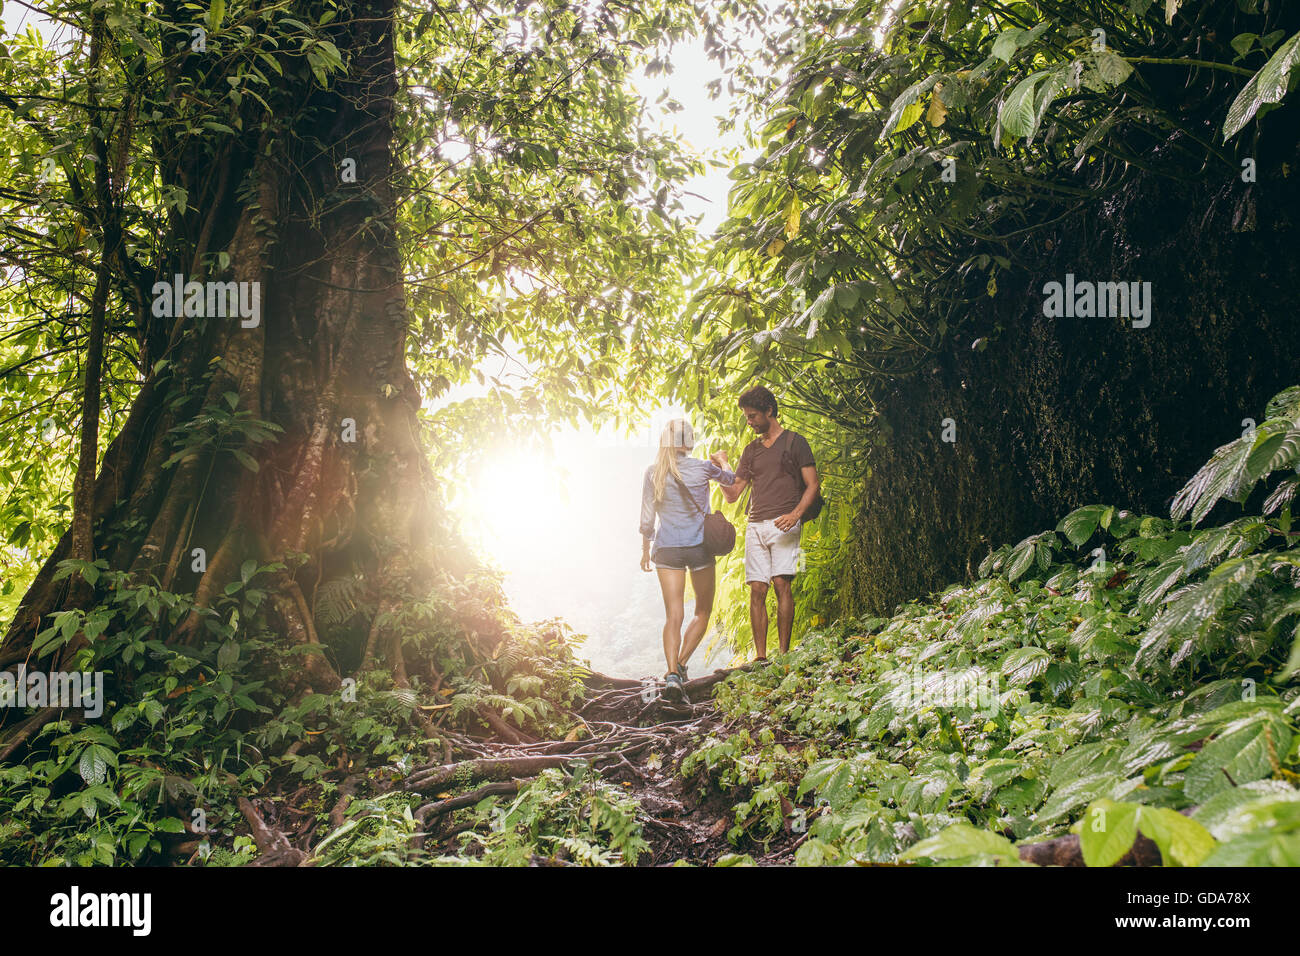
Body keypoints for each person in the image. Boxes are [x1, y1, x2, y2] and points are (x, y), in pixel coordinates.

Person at [714, 386, 819, 661]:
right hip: (756, 525)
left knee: (782, 583)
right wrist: (721, 467)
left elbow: (813, 486)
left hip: (785, 522)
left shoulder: (796, 443)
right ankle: (761, 658)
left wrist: (795, 515)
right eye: (747, 417)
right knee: (758, 588)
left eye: (752, 416)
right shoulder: (751, 451)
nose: (749, 422)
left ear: (769, 411)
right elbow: (733, 494)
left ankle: (783, 654)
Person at [638, 419, 736, 702]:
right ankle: (680, 666)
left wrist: (646, 551)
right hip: (699, 548)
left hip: (666, 549)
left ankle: (670, 674)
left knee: (674, 615)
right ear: (689, 441)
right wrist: (723, 461)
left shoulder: (653, 472)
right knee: (702, 611)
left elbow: (647, 521)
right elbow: (731, 481)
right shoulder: (704, 467)